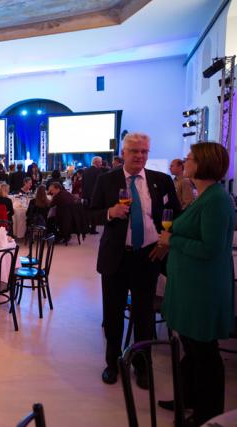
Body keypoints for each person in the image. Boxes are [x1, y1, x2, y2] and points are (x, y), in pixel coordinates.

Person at [90, 132, 180, 388]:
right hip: (116, 257)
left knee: (144, 316)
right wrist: (110, 212)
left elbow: (176, 215)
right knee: (113, 313)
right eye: (134, 152)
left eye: (144, 152)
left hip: (148, 256)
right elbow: (90, 213)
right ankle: (113, 362)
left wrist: (166, 240)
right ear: (123, 153)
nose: (140, 156)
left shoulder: (161, 181)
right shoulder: (107, 180)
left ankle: (142, 366)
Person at [158, 143, 234, 425]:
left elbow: (211, 248)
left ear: (202, 164)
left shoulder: (216, 200)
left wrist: (172, 240)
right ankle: (187, 397)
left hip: (202, 289)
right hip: (191, 285)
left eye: (189, 159)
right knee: (191, 347)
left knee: (204, 353)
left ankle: (208, 413)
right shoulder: (205, 196)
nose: (184, 162)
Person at [82, 156, 106, 234]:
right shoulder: (99, 171)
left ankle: (86, 228)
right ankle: (93, 229)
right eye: (100, 162)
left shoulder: (85, 171)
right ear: (96, 162)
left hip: (86, 195)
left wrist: (83, 195)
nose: (101, 163)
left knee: (86, 212)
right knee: (94, 212)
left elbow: (83, 184)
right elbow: (99, 185)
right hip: (95, 195)